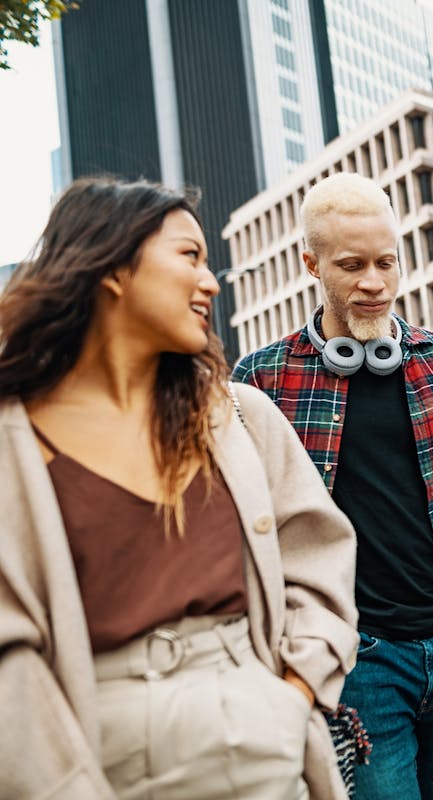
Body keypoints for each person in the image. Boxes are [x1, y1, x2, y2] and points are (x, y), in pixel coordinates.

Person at [0, 177, 359, 799]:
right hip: (95, 764)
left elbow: (320, 558)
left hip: (267, 744)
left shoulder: (240, 414)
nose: (211, 282)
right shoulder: (13, 441)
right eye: (189, 256)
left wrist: (293, 695)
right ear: (113, 267)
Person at [233, 172, 433, 800]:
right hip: (358, 658)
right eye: (352, 265)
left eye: (386, 262)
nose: (374, 282)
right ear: (311, 264)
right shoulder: (261, 381)